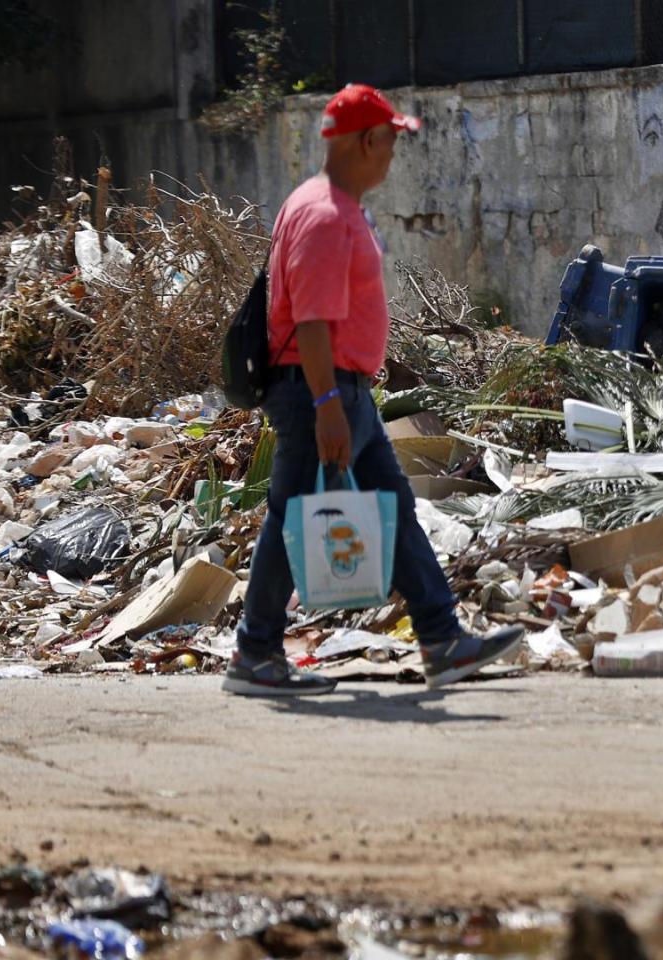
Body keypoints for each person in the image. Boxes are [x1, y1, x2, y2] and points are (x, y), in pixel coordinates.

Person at [224, 84, 522, 697]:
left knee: (394, 509)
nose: (392, 153)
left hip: (341, 394)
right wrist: (329, 406)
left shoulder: (328, 204)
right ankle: (255, 652)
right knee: (291, 515)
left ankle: (442, 640)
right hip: (320, 396)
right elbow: (309, 321)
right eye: (389, 140)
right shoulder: (326, 215)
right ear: (365, 141)